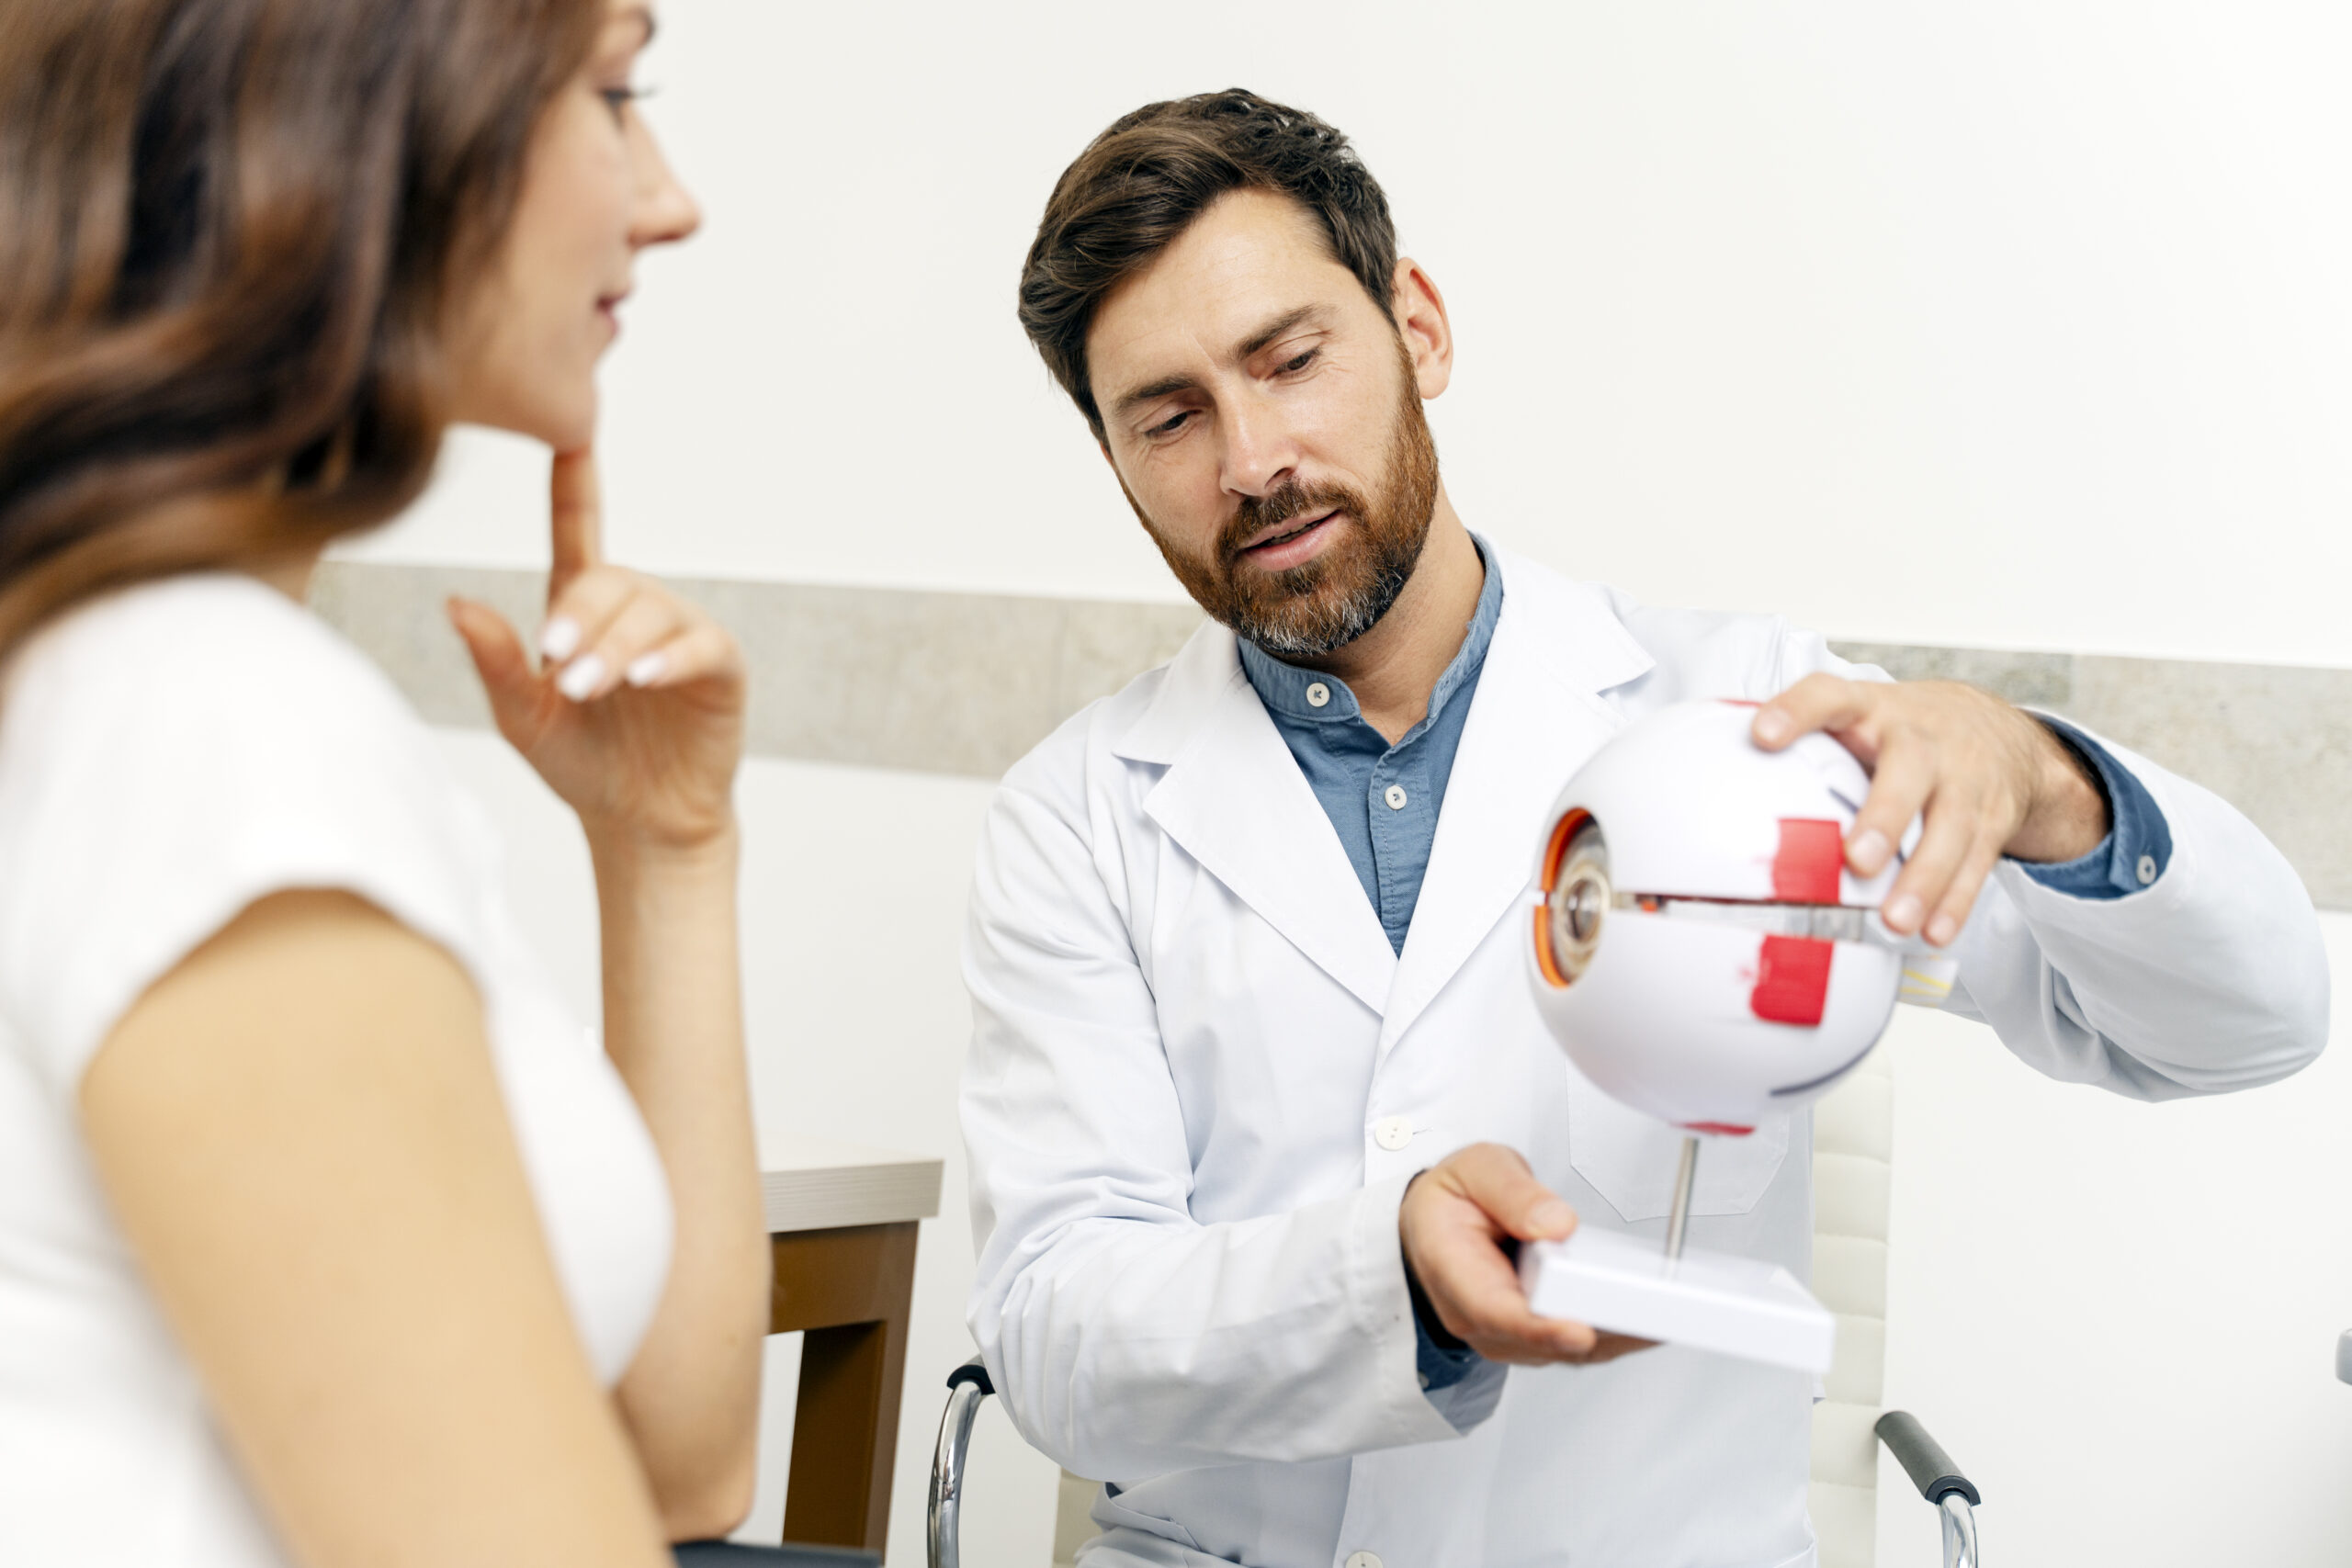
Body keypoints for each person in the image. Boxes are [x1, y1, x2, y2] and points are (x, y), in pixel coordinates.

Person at [961, 88, 2330, 1567]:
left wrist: (2050, 783)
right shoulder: (1079, 820)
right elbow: (1053, 1337)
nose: (1250, 458)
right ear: (1115, 459)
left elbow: (2247, 1023)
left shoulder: (1749, 722)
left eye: (1291, 360)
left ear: (1416, 325)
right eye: (1168, 417)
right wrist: (1389, 1279)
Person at [0, 3, 797, 1565]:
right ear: (360, 110)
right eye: (615, 93)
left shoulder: (146, 685)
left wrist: (668, 850)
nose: (670, 196)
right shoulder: (208, 717)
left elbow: (678, 1470)